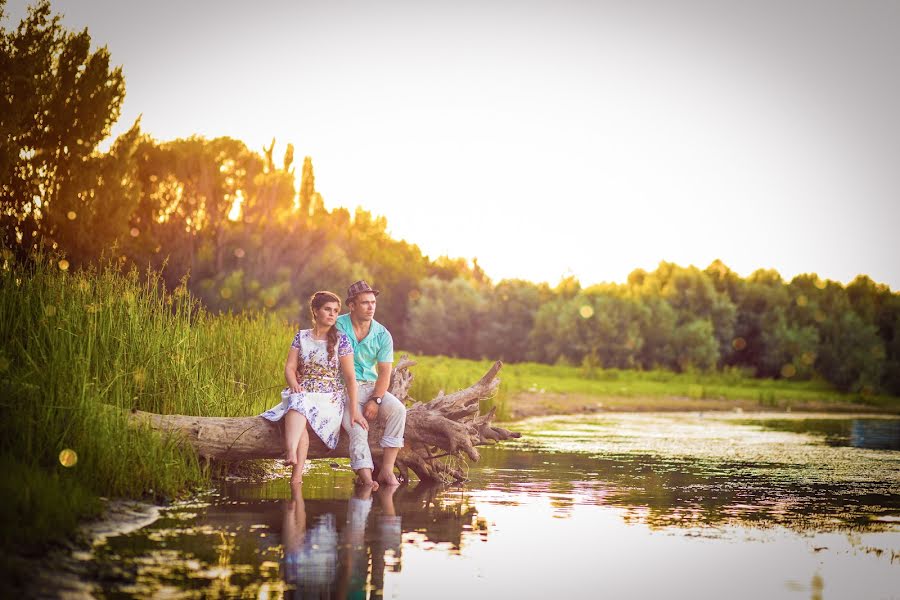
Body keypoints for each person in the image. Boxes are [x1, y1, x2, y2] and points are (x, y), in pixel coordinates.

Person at [261, 291, 369, 485]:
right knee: (298, 402)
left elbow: (351, 378)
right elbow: (290, 367)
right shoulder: (301, 336)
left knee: (298, 406)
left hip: (329, 397)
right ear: (315, 311)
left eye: (336, 311)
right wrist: (294, 384)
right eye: (327, 309)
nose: (332, 314)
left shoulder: (341, 340)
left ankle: (290, 452)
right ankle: (296, 473)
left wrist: (354, 411)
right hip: (303, 392)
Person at [336, 280, 407, 487]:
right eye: (365, 303)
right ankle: (366, 479)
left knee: (399, 410)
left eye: (373, 302)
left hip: (370, 386)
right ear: (352, 305)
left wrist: (376, 400)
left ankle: (386, 470)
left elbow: (385, 372)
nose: (371, 307)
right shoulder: (338, 325)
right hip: (343, 389)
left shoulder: (382, 334)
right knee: (358, 428)